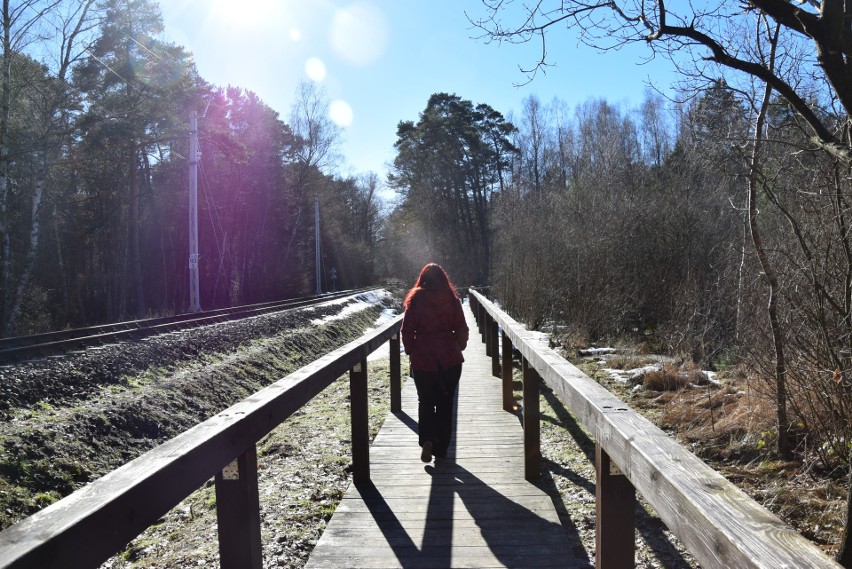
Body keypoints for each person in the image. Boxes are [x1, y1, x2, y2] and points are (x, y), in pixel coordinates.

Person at [401, 263, 469, 463]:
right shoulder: (451, 299)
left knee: (426, 401)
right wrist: (459, 345)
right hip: (449, 359)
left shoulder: (415, 300)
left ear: (422, 279)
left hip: (423, 360)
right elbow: (462, 328)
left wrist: (411, 349)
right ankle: (440, 450)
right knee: (445, 404)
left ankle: (428, 440)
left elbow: (406, 330)